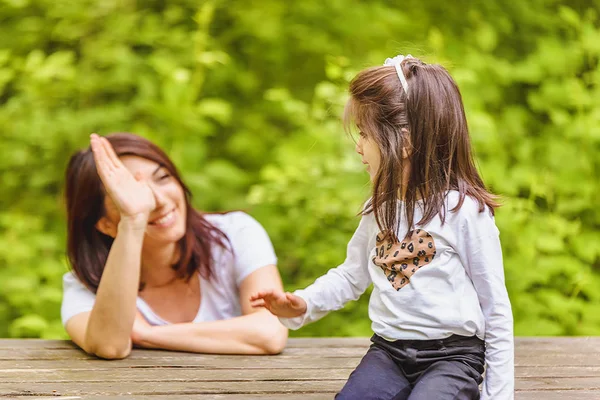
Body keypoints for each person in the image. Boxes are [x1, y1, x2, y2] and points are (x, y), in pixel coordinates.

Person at [250, 55, 514, 399]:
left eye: (365, 134)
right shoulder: (380, 208)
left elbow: (495, 308)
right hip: (389, 352)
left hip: (453, 356)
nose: (358, 146)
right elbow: (351, 275)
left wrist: (500, 395)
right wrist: (302, 304)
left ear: (404, 143)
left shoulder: (464, 212)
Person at [62, 132, 288, 359]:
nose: (159, 200)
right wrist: (133, 220)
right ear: (105, 225)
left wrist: (146, 334)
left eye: (162, 178)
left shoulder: (235, 234)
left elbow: (270, 331)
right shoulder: (87, 283)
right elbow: (110, 346)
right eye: (132, 194)